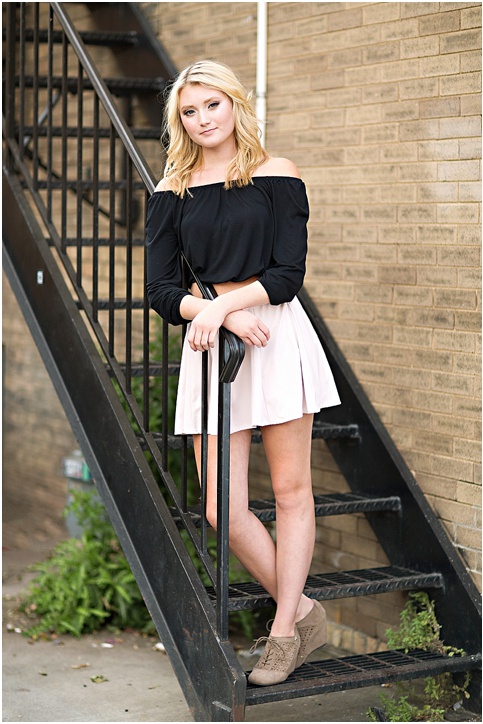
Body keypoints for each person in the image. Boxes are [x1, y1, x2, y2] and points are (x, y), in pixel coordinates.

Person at [143, 60, 339, 685]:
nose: (202, 120)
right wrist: (218, 315)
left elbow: (287, 274)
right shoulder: (171, 189)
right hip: (214, 342)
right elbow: (160, 289)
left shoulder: (276, 174)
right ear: (180, 121)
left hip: (275, 334)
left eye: (212, 106)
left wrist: (229, 304)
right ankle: (305, 609)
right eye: (189, 112)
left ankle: (282, 634)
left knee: (290, 492)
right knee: (220, 507)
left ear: (234, 105)